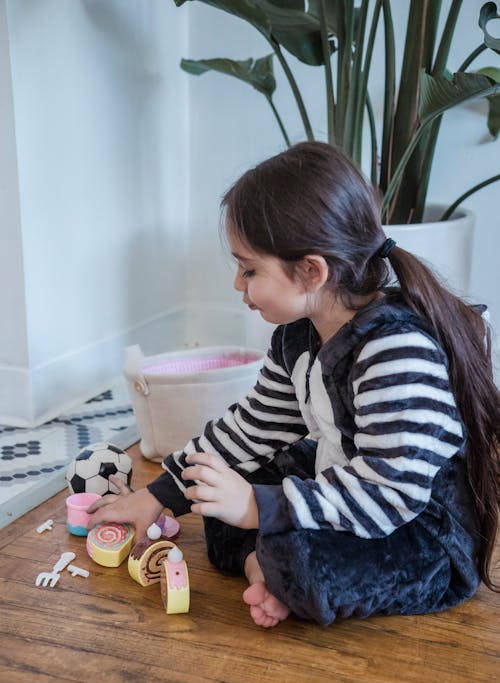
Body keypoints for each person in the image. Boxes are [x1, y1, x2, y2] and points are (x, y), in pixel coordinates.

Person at [88, 142, 500, 628]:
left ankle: (278, 570)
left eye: (249, 269)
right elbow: (249, 430)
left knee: (296, 557)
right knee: (215, 494)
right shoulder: (297, 339)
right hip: (342, 476)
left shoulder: (394, 351)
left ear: (311, 271)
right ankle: (263, 567)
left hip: (418, 531)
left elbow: (391, 494)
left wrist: (257, 508)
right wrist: (159, 495)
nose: (238, 286)